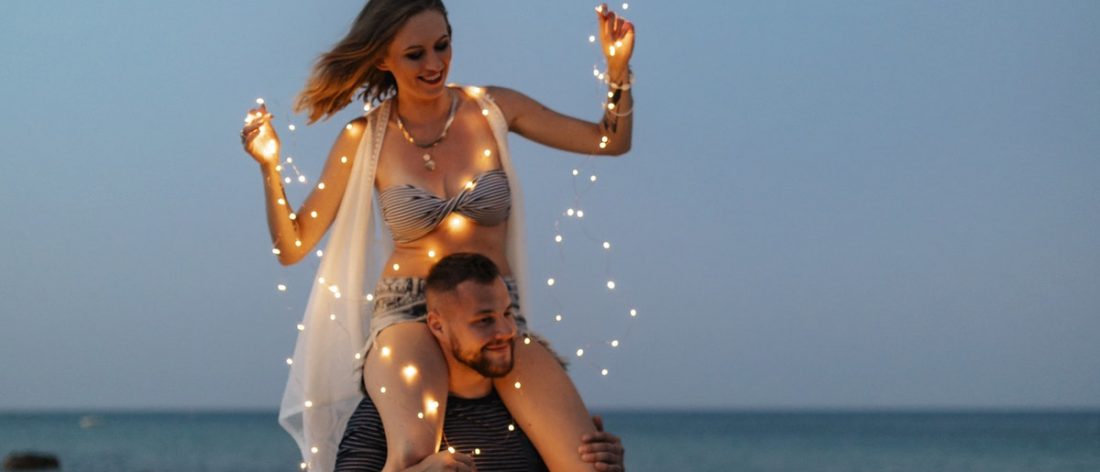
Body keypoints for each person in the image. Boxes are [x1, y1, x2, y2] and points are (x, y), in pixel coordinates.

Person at [239, 1, 635, 470]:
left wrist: (617, 71)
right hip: (409, 313)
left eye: (442, 46)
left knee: (590, 462)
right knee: (418, 459)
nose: (434, 64)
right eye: (415, 54)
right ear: (383, 58)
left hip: (494, 312)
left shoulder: (493, 109)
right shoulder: (364, 136)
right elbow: (294, 245)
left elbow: (610, 140)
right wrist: (269, 166)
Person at [335, 253, 625, 472]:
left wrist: (612, 466)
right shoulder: (383, 420)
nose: (505, 332)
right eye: (484, 321)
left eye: (508, 314)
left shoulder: (536, 417)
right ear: (437, 326)